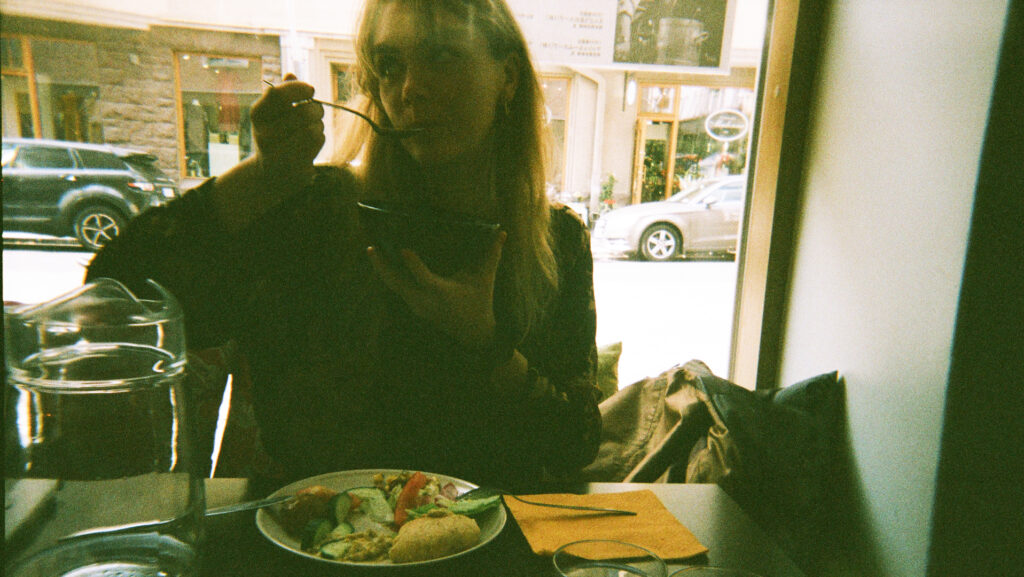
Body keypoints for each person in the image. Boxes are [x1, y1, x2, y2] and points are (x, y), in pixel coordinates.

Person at [86, 0, 601, 490]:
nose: (410, 89)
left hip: (481, 532)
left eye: (443, 55)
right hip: (307, 528)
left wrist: (485, 343)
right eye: (390, 65)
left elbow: (574, 445)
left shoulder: (557, 242)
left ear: (507, 77)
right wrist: (265, 175)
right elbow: (116, 300)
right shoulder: (319, 212)